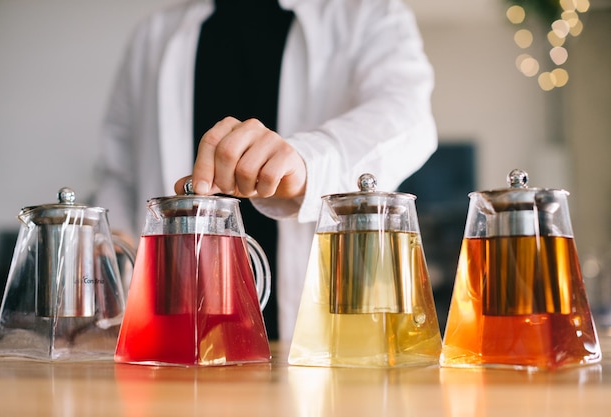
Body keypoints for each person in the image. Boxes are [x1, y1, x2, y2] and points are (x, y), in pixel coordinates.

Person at [92, 0, 438, 341]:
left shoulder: (368, 13)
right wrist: (112, 250)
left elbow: (408, 117)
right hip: (173, 329)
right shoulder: (155, 34)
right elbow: (120, 170)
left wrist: (306, 160)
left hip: (318, 334)